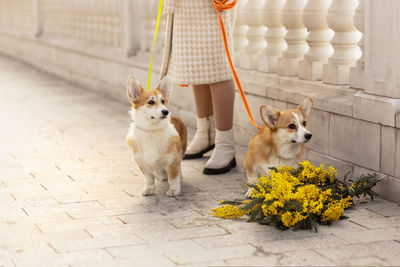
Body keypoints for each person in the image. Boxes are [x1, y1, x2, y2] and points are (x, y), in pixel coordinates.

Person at [160, 0, 237, 175]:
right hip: (185, 6)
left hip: (212, 5)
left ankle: (225, 143)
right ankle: (206, 133)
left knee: (218, 66)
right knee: (196, 66)